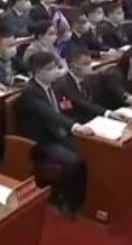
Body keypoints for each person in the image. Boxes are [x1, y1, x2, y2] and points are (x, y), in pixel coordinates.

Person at [17, 51, 92, 217]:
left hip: (57, 133)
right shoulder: (30, 92)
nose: (56, 71)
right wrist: (74, 126)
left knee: (89, 151)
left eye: (56, 66)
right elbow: (49, 113)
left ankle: (81, 197)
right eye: (51, 68)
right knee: (73, 161)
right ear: (38, 72)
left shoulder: (52, 86)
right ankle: (64, 199)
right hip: (40, 141)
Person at [70, 45, 131, 111]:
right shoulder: (65, 84)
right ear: (74, 66)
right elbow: (82, 103)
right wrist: (105, 112)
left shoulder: (93, 77)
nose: (90, 67)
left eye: (90, 63)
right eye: (86, 64)